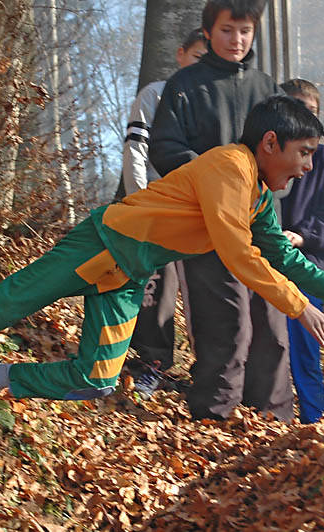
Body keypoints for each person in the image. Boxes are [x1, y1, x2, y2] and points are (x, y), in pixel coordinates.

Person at [0, 95, 324, 442]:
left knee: (97, 381)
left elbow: (279, 252)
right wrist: (296, 303)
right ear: (270, 143)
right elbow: (237, 253)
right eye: (304, 153)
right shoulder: (229, 166)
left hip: (129, 272)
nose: (308, 166)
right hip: (103, 243)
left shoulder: (261, 193)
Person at [149, 0, 290, 421]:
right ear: (209, 31)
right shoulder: (184, 86)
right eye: (228, 30)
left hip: (260, 227)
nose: (237, 40)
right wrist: (218, 180)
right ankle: (215, 418)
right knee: (226, 327)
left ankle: (273, 422)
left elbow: (287, 153)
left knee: (272, 326)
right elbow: (164, 149)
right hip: (206, 227)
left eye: (245, 31)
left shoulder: (268, 89)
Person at [118, 28, 207, 398]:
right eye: (198, 56)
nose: (203, 65)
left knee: (206, 289)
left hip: (202, 210)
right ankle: (150, 363)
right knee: (159, 283)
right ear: (181, 54)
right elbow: (136, 150)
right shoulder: (155, 94)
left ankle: (208, 371)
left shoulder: (211, 102)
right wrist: (140, 201)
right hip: (157, 206)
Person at [276, 79, 324, 423]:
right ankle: (268, 418)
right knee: (268, 347)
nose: (304, 116)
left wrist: (303, 236)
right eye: (296, 107)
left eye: (312, 111)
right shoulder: (267, 151)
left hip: (307, 266)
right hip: (264, 265)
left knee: (306, 349)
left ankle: (313, 421)